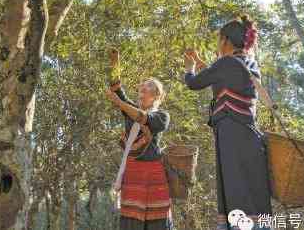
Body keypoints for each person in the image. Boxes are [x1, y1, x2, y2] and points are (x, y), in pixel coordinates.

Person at [182, 15, 272, 230]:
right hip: (249, 136)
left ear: (225, 41)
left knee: (235, 188)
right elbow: (220, 74)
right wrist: (203, 62)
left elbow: (194, 83)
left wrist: (189, 68)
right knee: (254, 188)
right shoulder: (249, 63)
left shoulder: (226, 64)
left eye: (218, 41)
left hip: (232, 137)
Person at [105, 54, 173, 230]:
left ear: (156, 95)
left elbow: (142, 118)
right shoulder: (130, 110)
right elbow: (117, 89)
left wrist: (120, 103)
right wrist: (114, 65)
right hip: (133, 174)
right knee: (131, 221)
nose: (142, 88)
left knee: (158, 220)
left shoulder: (162, 116)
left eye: (147, 87)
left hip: (154, 175)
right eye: (141, 87)